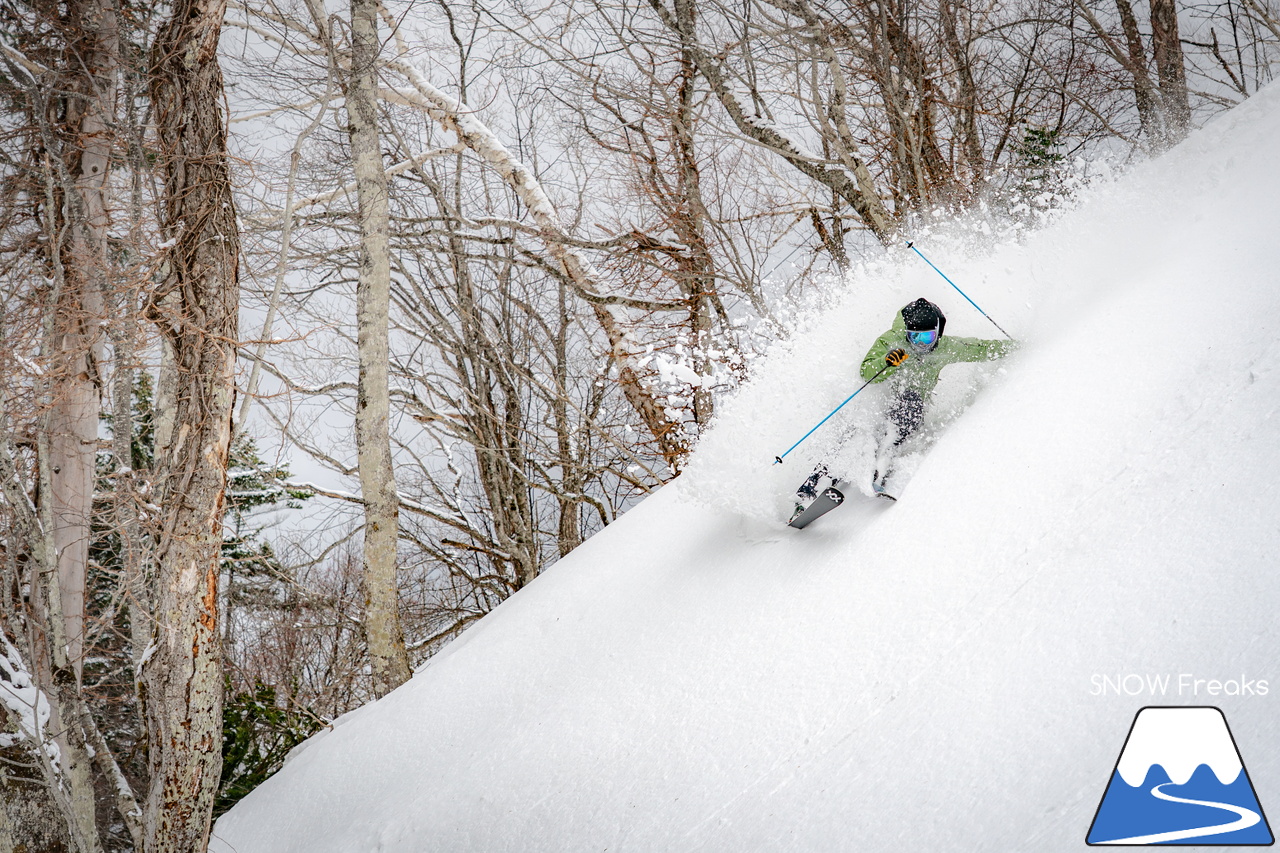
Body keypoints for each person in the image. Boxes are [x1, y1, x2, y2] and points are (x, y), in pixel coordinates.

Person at [793, 297, 1015, 514]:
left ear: (938, 333)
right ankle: (810, 490)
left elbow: (980, 348)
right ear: (907, 332)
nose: (920, 344)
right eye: (914, 337)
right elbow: (866, 372)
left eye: (927, 337)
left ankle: (882, 467)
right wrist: (886, 361)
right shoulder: (892, 341)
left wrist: (1016, 347)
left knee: (908, 407)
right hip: (881, 404)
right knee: (859, 433)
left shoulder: (946, 348)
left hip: (911, 410)